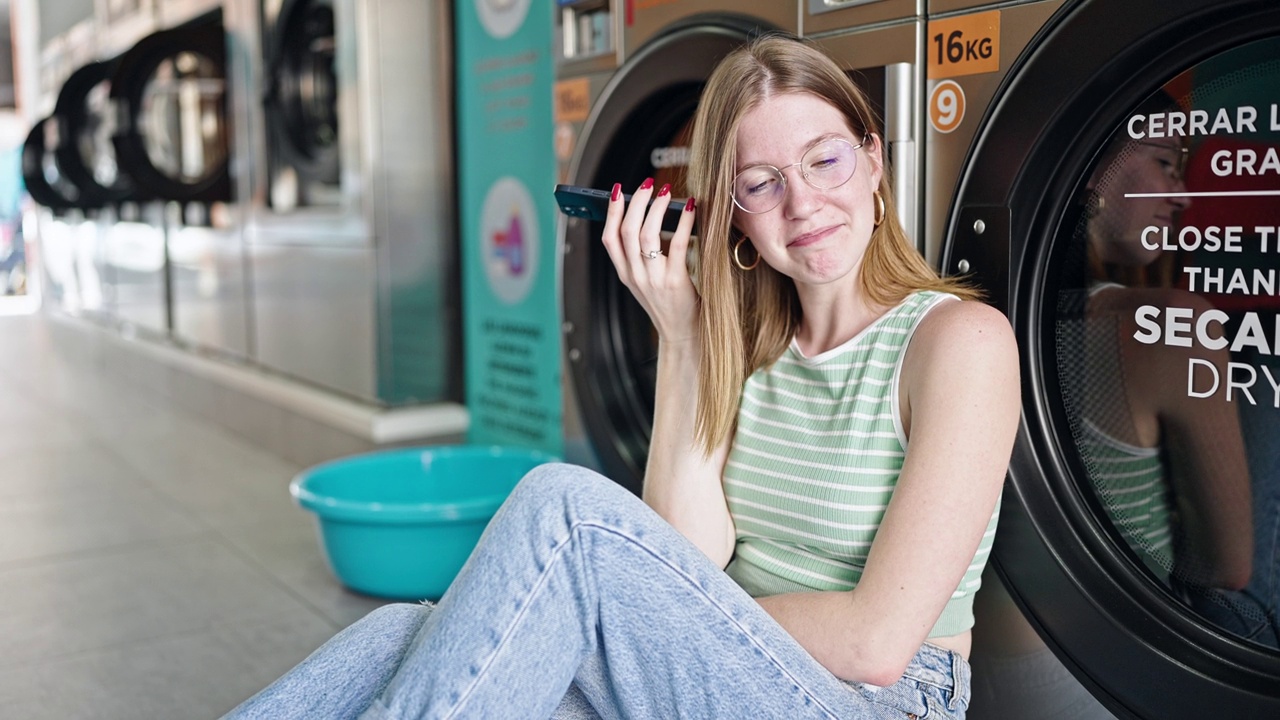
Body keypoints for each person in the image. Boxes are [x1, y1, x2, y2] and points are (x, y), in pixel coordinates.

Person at [224, 35, 1019, 719]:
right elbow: (691, 555)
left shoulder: (959, 343)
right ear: (730, 210)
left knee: (568, 511)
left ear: (874, 161)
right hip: (716, 670)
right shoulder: (749, 344)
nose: (803, 202)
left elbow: (877, 643)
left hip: (872, 700)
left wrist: (655, 612)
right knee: (405, 634)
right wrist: (682, 333)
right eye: (762, 183)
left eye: (826, 161)